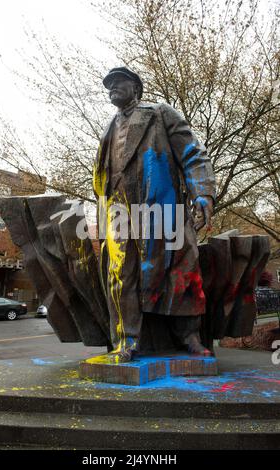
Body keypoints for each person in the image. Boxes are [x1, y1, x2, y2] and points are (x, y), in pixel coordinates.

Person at [93, 67, 216, 363]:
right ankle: (127, 339)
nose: (112, 87)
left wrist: (202, 192)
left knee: (182, 267)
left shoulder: (160, 113)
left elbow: (192, 153)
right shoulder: (108, 129)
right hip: (120, 211)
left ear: (136, 87)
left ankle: (190, 336)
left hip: (162, 204)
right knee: (121, 274)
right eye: (108, 85)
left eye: (118, 82)